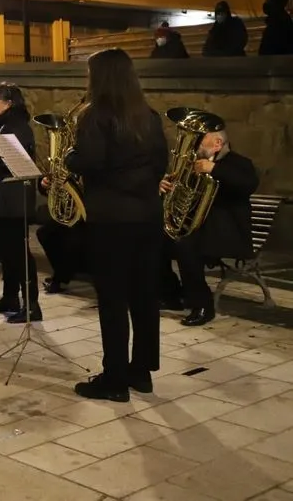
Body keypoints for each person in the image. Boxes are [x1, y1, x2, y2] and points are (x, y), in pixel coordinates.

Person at [64, 48, 169, 402]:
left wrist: (69, 156)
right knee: (144, 296)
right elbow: (160, 164)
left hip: (111, 219)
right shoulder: (148, 116)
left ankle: (114, 379)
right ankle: (141, 371)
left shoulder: (97, 116)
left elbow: (90, 160)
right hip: (147, 217)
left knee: (112, 298)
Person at [160, 128, 259, 326]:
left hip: (227, 233)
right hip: (199, 229)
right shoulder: (192, 165)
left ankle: (203, 305)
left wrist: (213, 169)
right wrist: (164, 185)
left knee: (186, 247)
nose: (195, 145)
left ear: (217, 144)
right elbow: (179, 193)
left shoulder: (238, 163)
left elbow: (249, 183)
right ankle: (171, 294)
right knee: (153, 239)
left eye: (200, 141)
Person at [0, 83, 40, 323]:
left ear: (10, 103)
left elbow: (1, 162)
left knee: (18, 253)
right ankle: (10, 297)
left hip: (12, 200)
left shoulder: (17, 128)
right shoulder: (0, 126)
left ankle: (32, 304)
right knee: (6, 252)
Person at [36, 177, 86, 294]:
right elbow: (52, 178)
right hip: (70, 213)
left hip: (90, 214)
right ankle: (62, 272)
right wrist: (43, 183)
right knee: (44, 233)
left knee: (73, 239)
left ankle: (62, 277)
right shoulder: (67, 161)